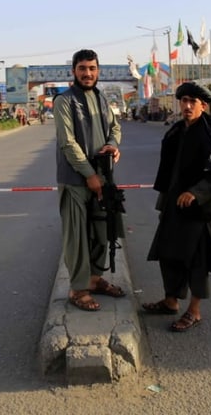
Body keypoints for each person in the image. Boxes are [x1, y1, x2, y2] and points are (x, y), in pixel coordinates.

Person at [142, 82, 211, 332]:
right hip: (174, 206)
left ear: (203, 105)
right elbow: (169, 172)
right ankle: (170, 300)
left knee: (198, 261)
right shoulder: (176, 131)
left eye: (193, 101)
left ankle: (194, 311)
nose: (187, 106)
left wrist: (196, 192)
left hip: (201, 210)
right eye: (183, 101)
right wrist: (166, 201)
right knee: (169, 254)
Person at [53, 49, 125, 312]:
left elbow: (115, 127)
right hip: (75, 180)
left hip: (101, 177)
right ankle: (78, 288)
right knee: (78, 237)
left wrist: (113, 145)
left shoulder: (101, 98)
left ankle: (95, 279)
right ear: (74, 71)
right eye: (82, 68)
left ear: (98, 70)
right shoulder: (64, 101)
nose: (88, 73)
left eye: (92, 68)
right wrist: (90, 175)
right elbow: (68, 143)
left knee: (100, 232)